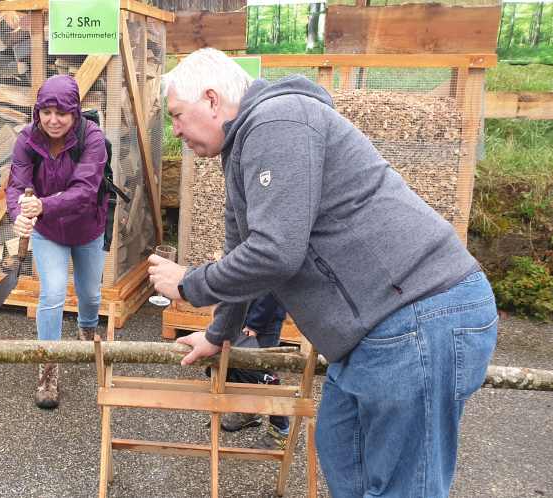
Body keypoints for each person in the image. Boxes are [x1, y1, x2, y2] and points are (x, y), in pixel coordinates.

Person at [147, 48, 497, 498]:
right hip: (373, 332)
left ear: (212, 100)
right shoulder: (241, 150)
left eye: (177, 115)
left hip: (417, 316)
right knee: (339, 447)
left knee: (404, 486)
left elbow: (276, 253)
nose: (175, 130)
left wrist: (189, 283)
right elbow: (243, 252)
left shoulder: (277, 121)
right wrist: (219, 334)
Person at [6, 75, 109, 410]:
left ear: (74, 112)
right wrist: (18, 214)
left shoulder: (92, 138)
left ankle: (87, 331)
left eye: (61, 113)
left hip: (87, 227)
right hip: (49, 231)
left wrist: (42, 206)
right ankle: (48, 368)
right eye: (46, 112)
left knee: (90, 294)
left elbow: (85, 191)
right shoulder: (27, 139)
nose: (52, 120)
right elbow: (16, 186)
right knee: (51, 293)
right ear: (37, 111)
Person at [211, 294, 290, 449]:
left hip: (264, 322)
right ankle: (250, 412)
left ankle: (281, 431)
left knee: (265, 377)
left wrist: (255, 324)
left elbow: (272, 290)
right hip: (243, 315)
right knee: (240, 369)